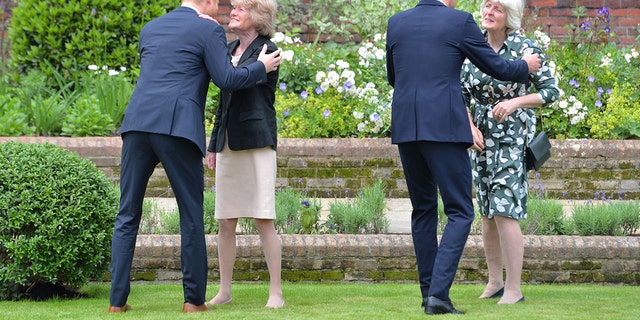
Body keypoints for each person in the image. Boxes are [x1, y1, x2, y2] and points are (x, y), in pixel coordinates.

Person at [108, 0, 282, 313]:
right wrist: (260, 68)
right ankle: (193, 301)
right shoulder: (208, 30)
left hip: (136, 124)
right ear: (208, 3)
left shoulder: (151, 28)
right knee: (190, 214)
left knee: (127, 214)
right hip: (177, 127)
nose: (222, 9)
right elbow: (226, 79)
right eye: (219, 4)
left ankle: (116, 303)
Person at [385, 0, 541, 315]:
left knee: (423, 210)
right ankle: (439, 296)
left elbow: (393, 76)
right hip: (443, 126)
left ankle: (429, 293)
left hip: (406, 126)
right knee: (459, 211)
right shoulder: (458, 21)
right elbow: (497, 67)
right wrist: (526, 66)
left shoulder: (396, 22)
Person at [460, 0, 560, 305]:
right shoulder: (472, 45)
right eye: (486, 6)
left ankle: (515, 289)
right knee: (488, 212)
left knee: (506, 210)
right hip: (480, 140)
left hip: (512, 140)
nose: (489, 12)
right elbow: (459, 92)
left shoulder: (525, 48)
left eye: (497, 8)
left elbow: (550, 92)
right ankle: (495, 282)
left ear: (510, 17)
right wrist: (468, 128)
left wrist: (515, 102)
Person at [204, 0, 284, 309]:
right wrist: (213, 146)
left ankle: (275, 293)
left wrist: (257, 67)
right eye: (233, 7)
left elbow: (240, 84)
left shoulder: (270, 51)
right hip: (227, 144)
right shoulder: (229, 49)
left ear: (259, 16)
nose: (233, 11)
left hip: (256, 143)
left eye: (241, 8)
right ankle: (224, 291)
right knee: (225, 221)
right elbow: (222, 103)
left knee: (264, 219)